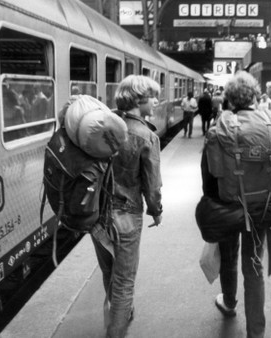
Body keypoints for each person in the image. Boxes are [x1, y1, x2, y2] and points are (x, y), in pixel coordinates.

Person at [201, 71, 271, 338]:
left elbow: (210, 174)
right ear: (255, 97)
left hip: (228, 204)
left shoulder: (219, 127)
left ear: (229, 100)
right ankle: (256, 331)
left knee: (229, 257)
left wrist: (212, 205)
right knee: (254, 266)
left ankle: (229, 302)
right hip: (261, 207)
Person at [91, 75, 163, 338]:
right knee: (124, 284)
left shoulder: (103, 126)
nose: (156, 101)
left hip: (98, 214)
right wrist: (156, 210)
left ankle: (121, 315)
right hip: (127, 215)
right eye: (153, 96)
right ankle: (117, 330)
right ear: (139, 100)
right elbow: (152, 186)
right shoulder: (145, 135)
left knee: (109, 272)